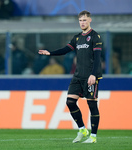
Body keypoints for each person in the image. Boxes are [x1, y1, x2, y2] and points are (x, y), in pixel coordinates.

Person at [38, 10, 103, 143]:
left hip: (90, 77)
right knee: (70, 102)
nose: (82, 22)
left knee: (92, 105)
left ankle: (93, 137)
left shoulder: (95, 37)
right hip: (77, 76)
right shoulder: (77, 38)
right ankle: (82, 129)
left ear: (90, 20)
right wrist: (50, 53)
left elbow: (98, 59)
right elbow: (65, 50)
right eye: (80, 20)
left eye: (84, 20)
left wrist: (93, 75)